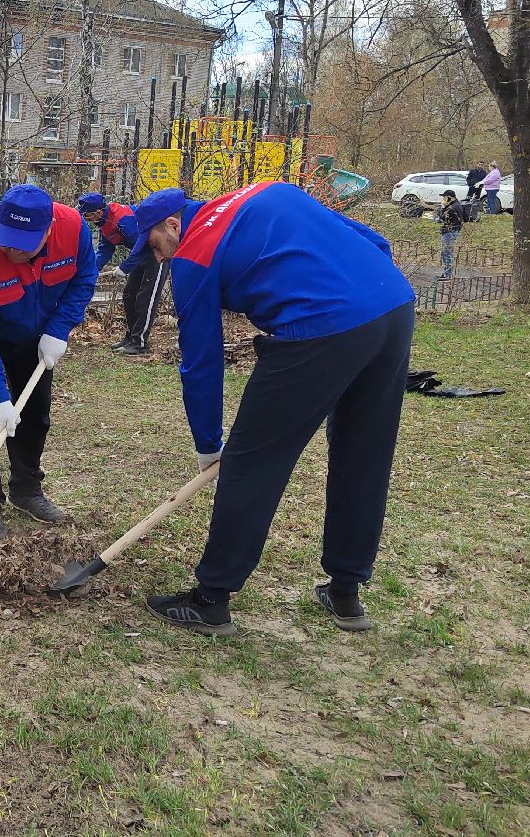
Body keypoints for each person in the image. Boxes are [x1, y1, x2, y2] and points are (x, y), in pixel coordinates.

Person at [132, 182, 416, 636]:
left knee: (253, 462)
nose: (160, 259)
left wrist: (210, 445)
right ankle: (346, 591)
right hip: (393, 304)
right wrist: (364, 290)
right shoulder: (265, 191)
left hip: (319, 326)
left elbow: (202, 360)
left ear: (172, 224)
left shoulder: (194, 252)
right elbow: (369, 239)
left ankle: (211, 599)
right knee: (365, 451)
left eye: (155, 247)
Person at [0, 184, 98, 537]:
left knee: (34, 415)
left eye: (22, 243)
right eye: (7, 238)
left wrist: (59, 329)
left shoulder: (74, 230)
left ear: (48, 230)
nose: (11, 249)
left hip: (36, 337)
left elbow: (84, 279)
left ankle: (27, 489)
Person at [76, 192, 164, 355]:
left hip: (157, 252)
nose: (85, 218)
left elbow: (143, 241)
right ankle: (131, 337)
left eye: (86, 215)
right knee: (129, 294)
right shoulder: (104, 224)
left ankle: (140, 342)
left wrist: (125, 267)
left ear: (98, 212)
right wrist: (90, 271)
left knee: (146, 298)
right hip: (139, 255)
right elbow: (105, 249)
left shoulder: (123, 219)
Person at [435, 189, 462, 280]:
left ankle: (447, 275)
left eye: (444, 197)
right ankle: (446, 273)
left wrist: (443, 207)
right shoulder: (455, 205)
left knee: (447, 253)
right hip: (451, 231)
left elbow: (442, 217)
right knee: (445, 252)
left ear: (449, 197)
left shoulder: (452, 208)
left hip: (449, 232)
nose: (443, 199)